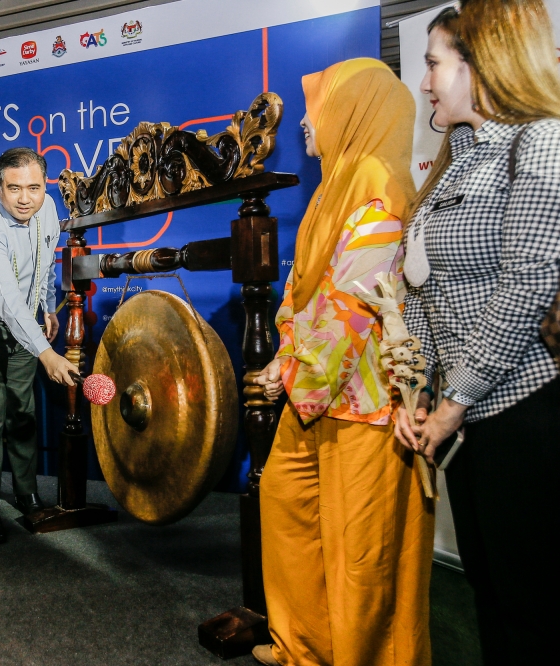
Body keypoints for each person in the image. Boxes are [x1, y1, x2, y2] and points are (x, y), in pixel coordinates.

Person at [252, 59, 434, 666]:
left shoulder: (380, 185)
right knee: (285, 502)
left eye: (317, 106)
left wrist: (292, 370)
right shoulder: (336, 186)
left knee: (360, 552)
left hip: (365, 402)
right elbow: (302, 287)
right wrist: (285, 351)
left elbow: (354, 302)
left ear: (352, 112)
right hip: (314, 386)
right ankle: (304, 647)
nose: (304, 121)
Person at [396, 2, 560, 664]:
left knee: (533, 608)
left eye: (434, 63)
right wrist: (421, 393)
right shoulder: (454, 161)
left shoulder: (542, 141)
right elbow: (422, 286)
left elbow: (526, 286)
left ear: (480, 63)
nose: (426, 81)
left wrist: (452, 401)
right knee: (491, 596)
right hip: (467, 420)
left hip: (526, 414)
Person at [0, 147, 79, 544]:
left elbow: (45, 263)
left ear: (45, 186)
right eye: (14, 189)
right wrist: (45, 352)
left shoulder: (46, 209)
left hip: (26, 321)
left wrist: (46, 306)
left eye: (34, 188)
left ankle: (26, 493)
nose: (25, 198)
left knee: (22, 407)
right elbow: (4, 299)